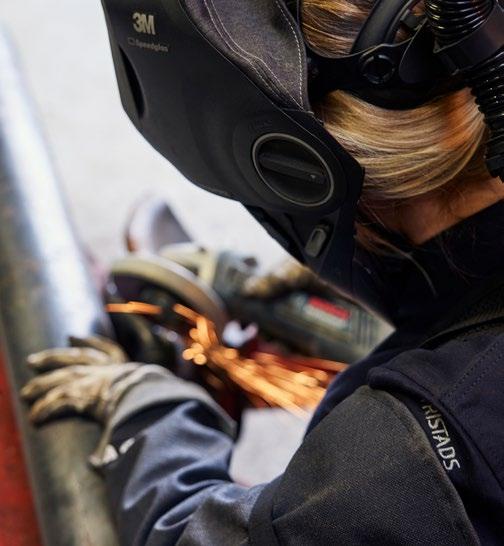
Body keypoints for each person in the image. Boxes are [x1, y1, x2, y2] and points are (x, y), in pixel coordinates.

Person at [21, 0, 504, 544]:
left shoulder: (413, 456)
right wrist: (414, 289)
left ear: (308, 172)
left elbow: (202, 535)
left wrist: (148, 409)